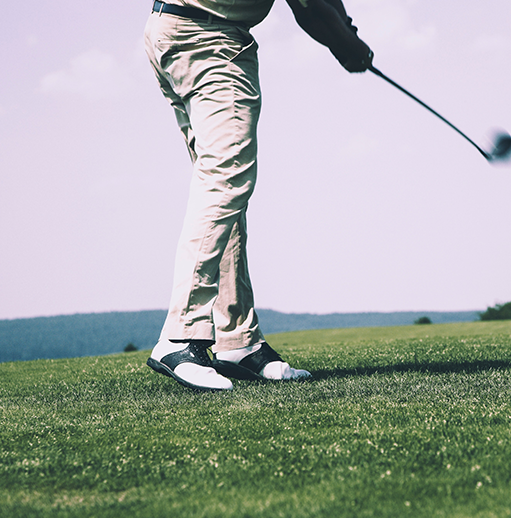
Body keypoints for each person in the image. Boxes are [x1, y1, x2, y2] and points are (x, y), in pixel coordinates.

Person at [143, 0, 373, 391]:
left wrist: (345, 30)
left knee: (222, 189)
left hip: (171, 30)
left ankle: (238, 341)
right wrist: (347, 45)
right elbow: (313, 6)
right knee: (225, 178)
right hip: (210, 40)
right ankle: (181, 334)